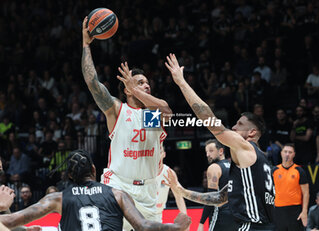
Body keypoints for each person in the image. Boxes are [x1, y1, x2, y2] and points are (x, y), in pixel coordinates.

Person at [165, 53, 275, 230]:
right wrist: (183, 192)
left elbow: (210, 120)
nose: (233, 127)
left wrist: (182, 83)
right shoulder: (260, 162)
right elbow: (219, 198)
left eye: (239, 124)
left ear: (252, 132)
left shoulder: (246, 147)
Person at [81, 17, 172, 230]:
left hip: (149, 192)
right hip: (118, 187)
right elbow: (92, 83)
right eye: (140, 82)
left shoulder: (151, 114)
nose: (146, 85)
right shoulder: (118, 110)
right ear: (127, 90)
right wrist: (86, 45)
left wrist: (137, 89)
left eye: (147, 83)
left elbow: (166, 111)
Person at [0, 149, 191, 231]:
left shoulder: (57, 199)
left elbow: (8, 221)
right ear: (93, 170)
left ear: (70, 177)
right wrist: (176, 227)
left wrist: (2, 207)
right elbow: (144, 226)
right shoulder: (118, 194)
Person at [272, 144, 309, 230]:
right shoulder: (274, 170)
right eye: (285, 152)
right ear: (281, 153)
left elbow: (306, 193)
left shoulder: (299, 170)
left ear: (294, 154)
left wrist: (304, 211)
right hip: (278, 210)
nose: (287, 154)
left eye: (290, 152)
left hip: (295, 210)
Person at [197, 139, 231, 231]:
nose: (208, 155)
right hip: (236, 216)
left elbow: (211, 198)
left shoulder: (214, 168)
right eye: (206, 152)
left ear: (221, 151)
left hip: (220, 215)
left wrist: (201, 222)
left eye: (211, 151)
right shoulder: (233, 166)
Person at [155, 144, 187, 222]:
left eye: (160, 151)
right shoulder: (143, 172)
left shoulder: (169, 173)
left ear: (164, 154)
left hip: (158, 215)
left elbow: (179, 196)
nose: (157, 154)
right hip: (141, 216)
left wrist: (185, 218)